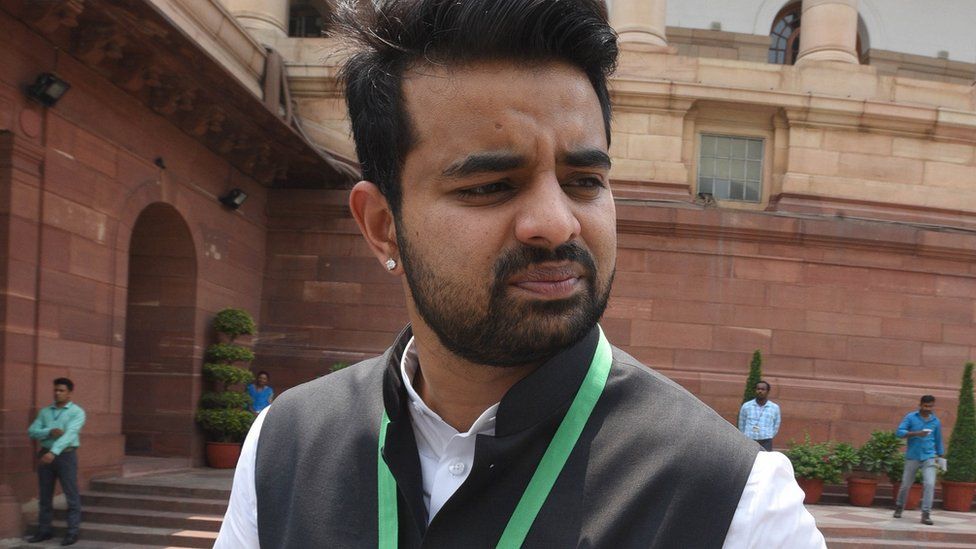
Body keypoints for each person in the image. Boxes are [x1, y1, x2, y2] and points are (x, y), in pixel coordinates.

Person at [215, 1, 824, 547]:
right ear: (381, 225)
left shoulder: (736, 507)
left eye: (584, 181)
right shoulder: (283, 449)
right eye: (490, 186)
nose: (556, 224)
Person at [26, 378, 86, 546]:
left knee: (71, 495)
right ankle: (44, 530)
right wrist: (49, 431)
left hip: (65, 456)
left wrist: (54, 451)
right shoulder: (45, 412)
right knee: (45, 495)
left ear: (69, 393)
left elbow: (70, 435)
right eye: (56, 390)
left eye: (61, 390)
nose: (57, 393)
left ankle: (72, 532)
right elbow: (32, 431)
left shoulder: (77, 412)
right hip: (45, 455)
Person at [893, 394, 944, 525]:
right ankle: (899, 506)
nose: (928, 409)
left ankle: (926, 514)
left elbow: (938, 439)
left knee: (930, 484)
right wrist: (916, 433)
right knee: (905, 484)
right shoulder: (911, 417)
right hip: (913, 456)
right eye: (926, 406)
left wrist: (940, 455)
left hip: (929, 456)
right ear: (920, 405)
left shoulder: (935, 422)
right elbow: (899, 432)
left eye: (931, 406)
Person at [738, 380, 781, 451]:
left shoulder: (774, 407)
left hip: (766, 441)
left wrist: (769, 435)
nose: (760, 391)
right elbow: (741, 423)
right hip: (749, 439)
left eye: (763, 389)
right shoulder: (746, 406)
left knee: (764, 461)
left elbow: (776, 425)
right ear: (755, 390)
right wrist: (745, 436)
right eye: (758, 389)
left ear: (768, 391)